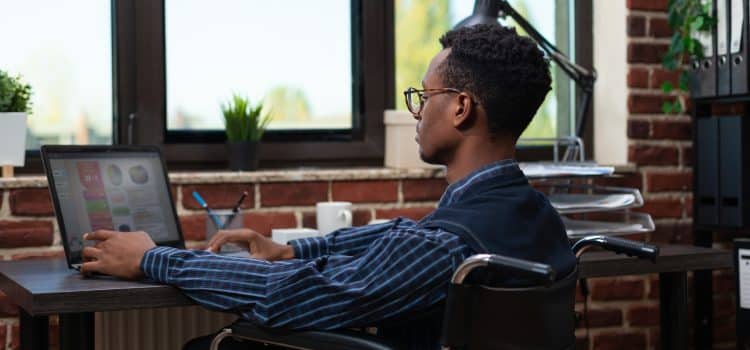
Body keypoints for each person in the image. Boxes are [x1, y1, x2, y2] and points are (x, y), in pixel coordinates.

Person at [80, 23, 576, 349]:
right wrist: (294, 251)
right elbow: (400, 234)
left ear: (462, 108)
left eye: (424, 97)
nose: (419, 111)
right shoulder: (535, 216)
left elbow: (291, 297)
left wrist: (152, 259)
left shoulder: (445, 244)